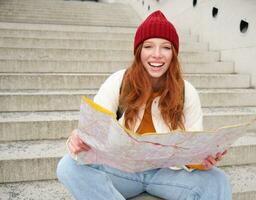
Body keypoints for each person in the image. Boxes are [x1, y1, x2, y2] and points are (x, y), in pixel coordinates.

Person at [57, 10, 232, 200]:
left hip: (165, 173)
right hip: (122, 170)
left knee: (217, 180)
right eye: (149, 46)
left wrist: (202, 161)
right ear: (139, 51)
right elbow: (94, 129)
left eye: (165, 47)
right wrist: (77, 138)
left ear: (173, 53)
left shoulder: (187, 91)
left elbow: (193, 147)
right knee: (68, 167)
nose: (157, 55)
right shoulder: (119, 81)